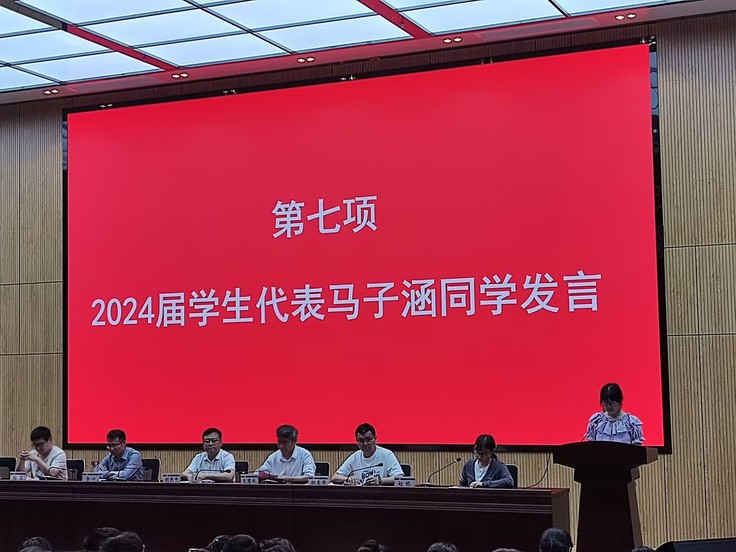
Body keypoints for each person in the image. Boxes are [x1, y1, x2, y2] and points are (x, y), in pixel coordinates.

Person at [332, 423, 404, 486]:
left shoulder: (387, 455)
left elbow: (400, 478)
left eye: (368, 439)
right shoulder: (355, 456)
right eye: (361, 441)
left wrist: (380, 480)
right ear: (356, 441)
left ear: (375, 438)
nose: (365, 444)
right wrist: (347, 479)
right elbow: (335, 477)